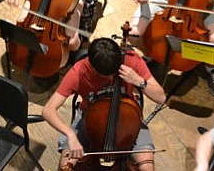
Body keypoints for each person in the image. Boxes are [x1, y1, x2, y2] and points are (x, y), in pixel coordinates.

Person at [42, 36, 166, 171]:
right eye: (106, 75)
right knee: (65, 166)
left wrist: (139, 81)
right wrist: (70, 135)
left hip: (129, 123)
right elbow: (48, 110)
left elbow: (161, 98)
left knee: (147, 168)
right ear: (92, 67)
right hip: (90, 121)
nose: (112, 78)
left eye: (114, 73)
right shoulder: (78, 72)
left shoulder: (131, 60)